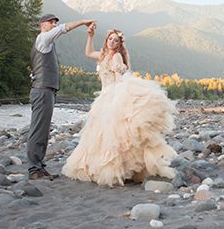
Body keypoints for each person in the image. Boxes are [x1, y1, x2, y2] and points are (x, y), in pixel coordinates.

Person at [61, 25, 178, 187]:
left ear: (119, 44)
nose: (112, 42)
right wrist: (90, 36)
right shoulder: (103, 55)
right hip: (103, 97)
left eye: (115, 40)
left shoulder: (116, 57)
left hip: (112, 95)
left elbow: (119, 78)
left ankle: (117, 169)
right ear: (106, 40)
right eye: (110, 39)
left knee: (113, 135)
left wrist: (122, 96)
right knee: (100, 135)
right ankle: (99, 167)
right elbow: (88, 53)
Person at [28, 13, 94, 181]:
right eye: (51, 22)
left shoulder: (47, 43)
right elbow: (64, 29)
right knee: (38, 131)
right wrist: (83, 22)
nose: (54, 25)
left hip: (46, 91)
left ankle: (39, 167)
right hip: (42, 91)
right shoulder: (43, 39)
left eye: (55, 22)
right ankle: (34, 170)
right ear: (42, 25)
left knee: (43, 131)